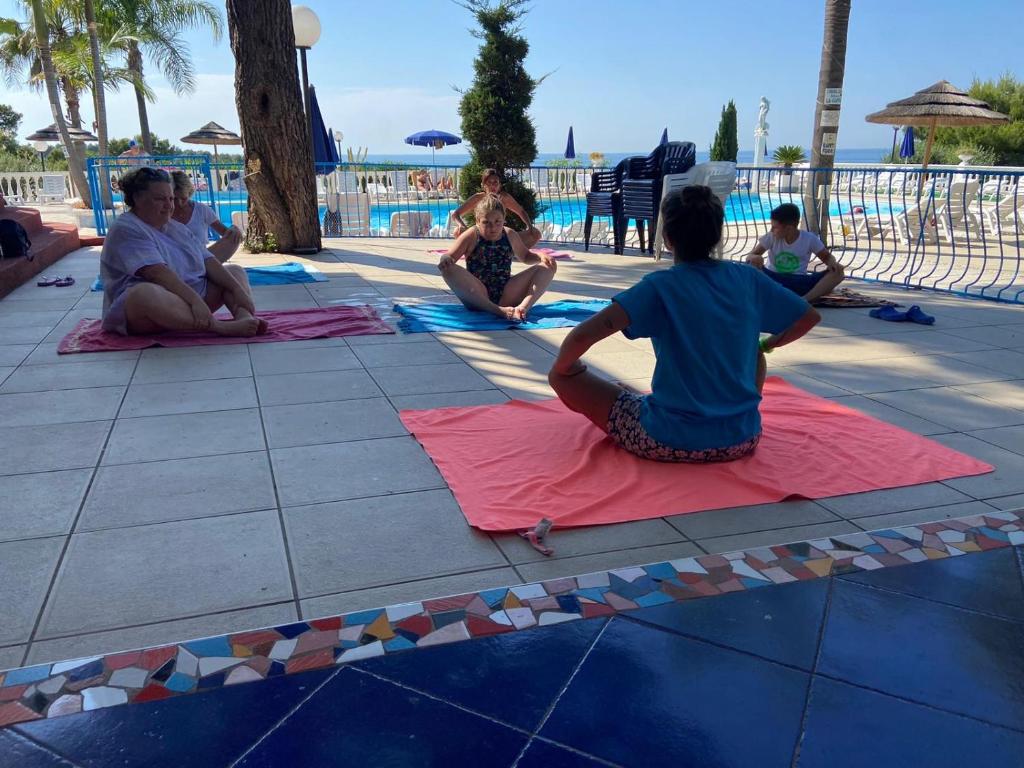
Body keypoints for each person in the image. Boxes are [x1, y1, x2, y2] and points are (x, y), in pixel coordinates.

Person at [548, 186, 820, 463]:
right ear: (717, 235)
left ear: (667, 238)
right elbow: (808, 317)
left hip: (666, 439)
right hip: (742, 438)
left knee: (561, 377)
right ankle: (733, 409)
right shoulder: (748, 278)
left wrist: (565, 369)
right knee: (755, 350)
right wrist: (767, 345)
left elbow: (582, 337)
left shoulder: (660, 286)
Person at [101, 166, 266, 338]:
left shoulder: (174, 227)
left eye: (170, 199)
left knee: (234, 272)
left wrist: (237, 290)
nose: (169, 206)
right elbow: (157, 273)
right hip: (152, 311)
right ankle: (218, 327)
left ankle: (245, 318)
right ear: (137, 199)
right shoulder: (126, 228)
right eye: (160, 199)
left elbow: (208, 260)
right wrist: (195, 301)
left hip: (192, 304)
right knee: (143, 294)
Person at [438, 195, 557, 321]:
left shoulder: (510, 234)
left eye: (497, 222)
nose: (493, 228)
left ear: (504, 219)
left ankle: (522, 308)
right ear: (477, 220)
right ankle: (498, 311)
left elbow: (526, 256)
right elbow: (449, 256)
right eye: (486, 223)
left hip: (506, 292)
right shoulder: (471, 235)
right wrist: (445, 259)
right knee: (448, 269)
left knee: (547, 268)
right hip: (477, 293)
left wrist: (541, 256)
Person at [745, 203, 845, 304]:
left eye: (775, 227)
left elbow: (827, 257)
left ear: (789, 228)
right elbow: (749, 257)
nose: (771, 230)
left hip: (798, 282)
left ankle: (803, 300)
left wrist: (832, 262)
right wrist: (755, 258)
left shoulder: (809, 239)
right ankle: (788, 298)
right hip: (773, 279)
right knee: (750, 265)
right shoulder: (771, 237)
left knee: (839, 272)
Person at [451, 168, 541, 248]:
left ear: (499, 185)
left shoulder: (504, 198)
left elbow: (521, 211)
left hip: (500, 236)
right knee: (457, 232)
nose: (492, 186)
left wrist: (529, 226)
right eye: (489, 182)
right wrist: (461, 225)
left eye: (495, 183)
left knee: (536, 234)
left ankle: (513, 252)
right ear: (483, 185)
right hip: (480, 236)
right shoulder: (478, 198)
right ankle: (480, 250)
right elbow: (456, 214)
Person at [170, 170, 241, 263]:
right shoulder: (162, 211)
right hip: (173, 260)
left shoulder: (201, 209)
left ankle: (204, 268)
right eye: (174, 199)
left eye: (183, 198)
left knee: (233, 238)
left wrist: (234, 230)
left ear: (189, 193)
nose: (179, 203)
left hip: (202, 258)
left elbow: (225, 233)